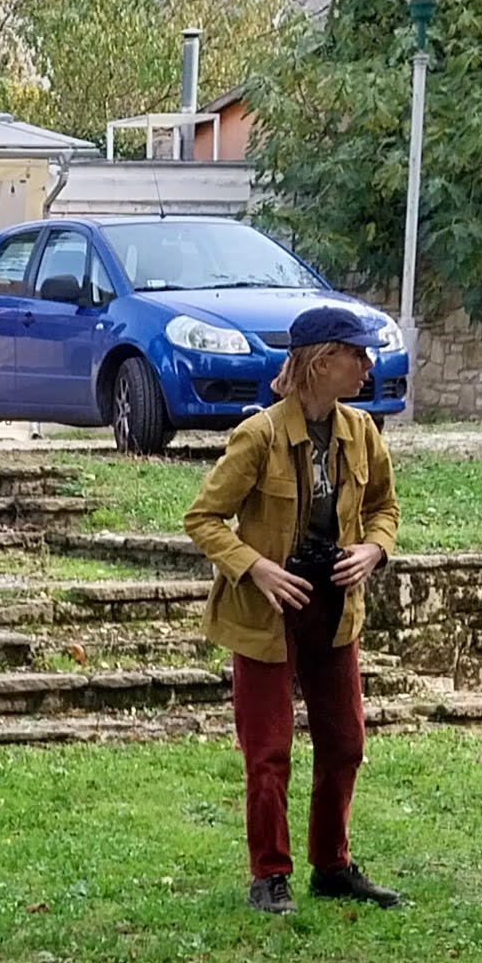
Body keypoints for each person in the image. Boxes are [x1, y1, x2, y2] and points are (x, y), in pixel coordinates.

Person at [182, 302, 402, 914]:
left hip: (334, 606)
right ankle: (269, 875)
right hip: (265, 610)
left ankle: (332, 866)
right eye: (356, 355)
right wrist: (256, 566)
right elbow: (203, 518)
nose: (367, 366)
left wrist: (372, 550)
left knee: (345, 742)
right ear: (321, 362)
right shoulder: (259, 435)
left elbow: (385, 508)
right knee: (269, 750)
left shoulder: (363, 431)